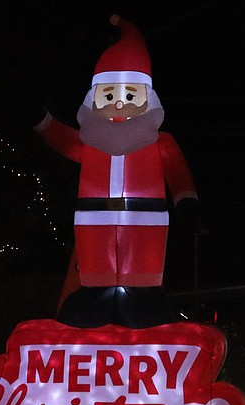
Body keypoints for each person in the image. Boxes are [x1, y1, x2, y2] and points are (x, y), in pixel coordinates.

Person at [32, 15, 200, 328]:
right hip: (93, 219)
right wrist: (41, 120)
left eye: (130, 96)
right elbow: (61, 139)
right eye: (109, 96)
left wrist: (186, 203)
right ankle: (93, 309)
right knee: (97, 278)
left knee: (142, 280)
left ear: (148, 99)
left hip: (145, 219)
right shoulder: (90, 141)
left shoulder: (159, 142)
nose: (120, 105)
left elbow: (178, 174)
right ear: (94, 99)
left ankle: (144, 310)